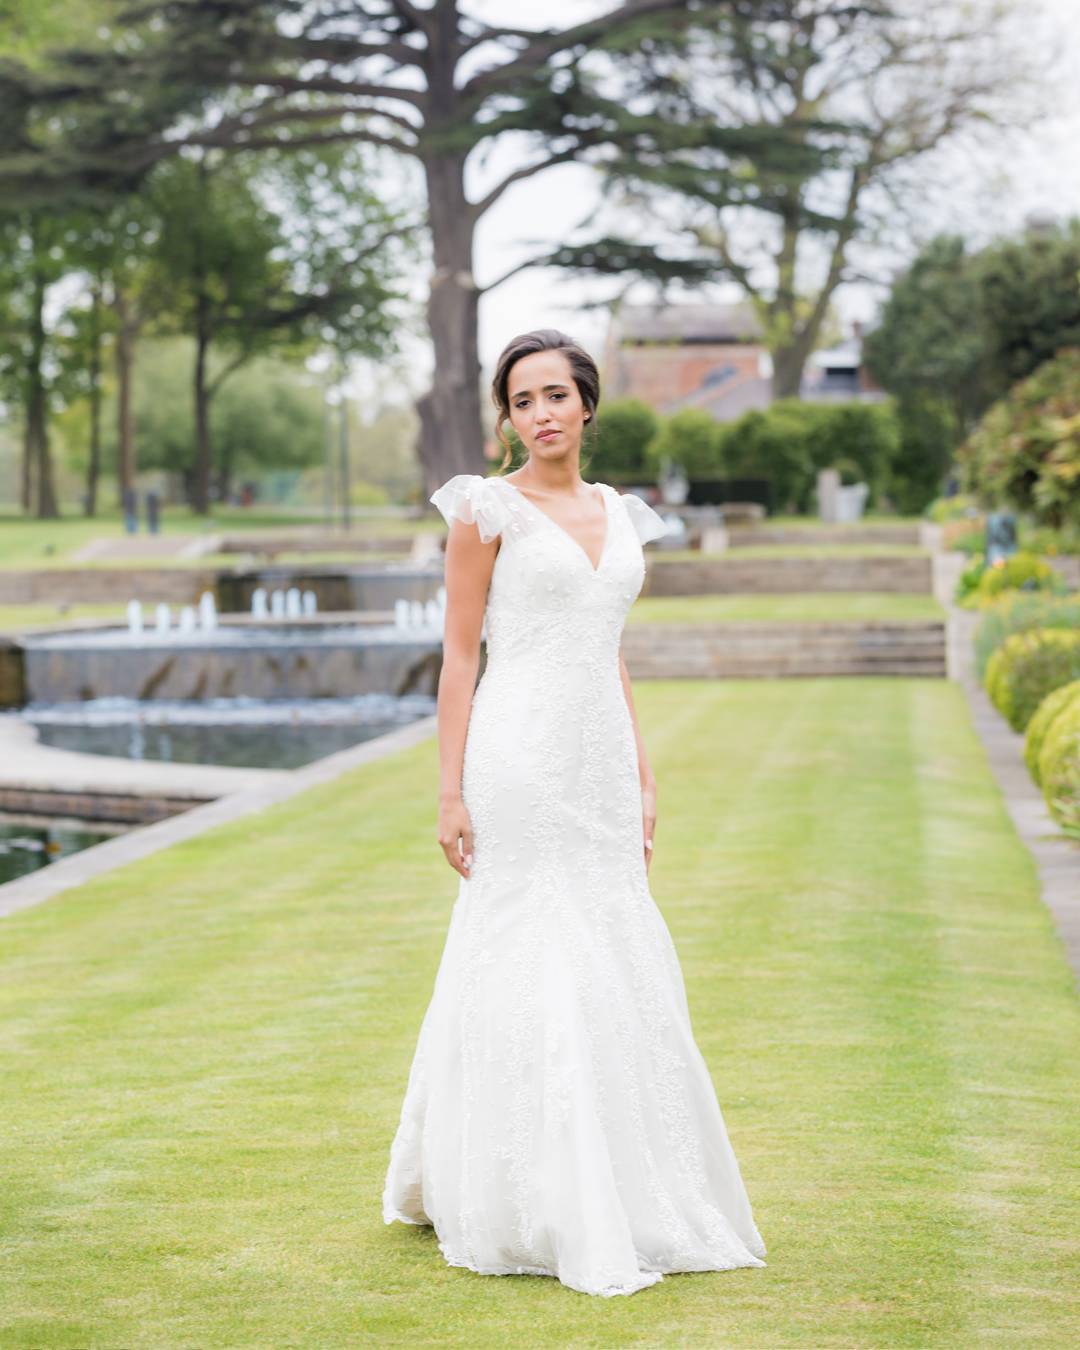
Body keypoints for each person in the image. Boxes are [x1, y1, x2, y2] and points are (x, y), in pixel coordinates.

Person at [382, 329, 766, 1297]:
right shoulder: (485, 511)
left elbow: (612, 651)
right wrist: (450, 788)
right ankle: (524, 1185)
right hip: (517, 755)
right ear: (507, 417)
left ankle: (634, 1176)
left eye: (557, 393)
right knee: (525, 945)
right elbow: (461, 657)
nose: (542, 412)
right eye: (523, 400)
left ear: (588, 404)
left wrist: (640, 773)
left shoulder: (622, 515)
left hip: (598, 765)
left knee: (612, 946)